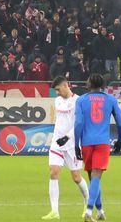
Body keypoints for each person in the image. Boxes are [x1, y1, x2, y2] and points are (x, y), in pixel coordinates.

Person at [73, 73, 121, 221]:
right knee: (96, 176)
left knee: (93, 177)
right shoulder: (110, 99)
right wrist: (120, 140)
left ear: (88, 85)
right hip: (102, 142)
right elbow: (120, 123)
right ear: (103, 85)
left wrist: (76, 144)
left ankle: (100, 211)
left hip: (87, 142)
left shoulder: (81, 100)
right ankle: (89, 211)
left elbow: (78, 124)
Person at [44, 77, 89, 220]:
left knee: (76, 177)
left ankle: (88, 204)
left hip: (72, 145)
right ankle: (54, 211)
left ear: (65, 85)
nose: (57, 92)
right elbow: (60, 121)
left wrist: (67, 137)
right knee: (53, 172)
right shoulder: (57, 101)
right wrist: (59, 137)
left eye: (58, 89)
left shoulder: (79, 101)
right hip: (57, 143)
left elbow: (79, 123)